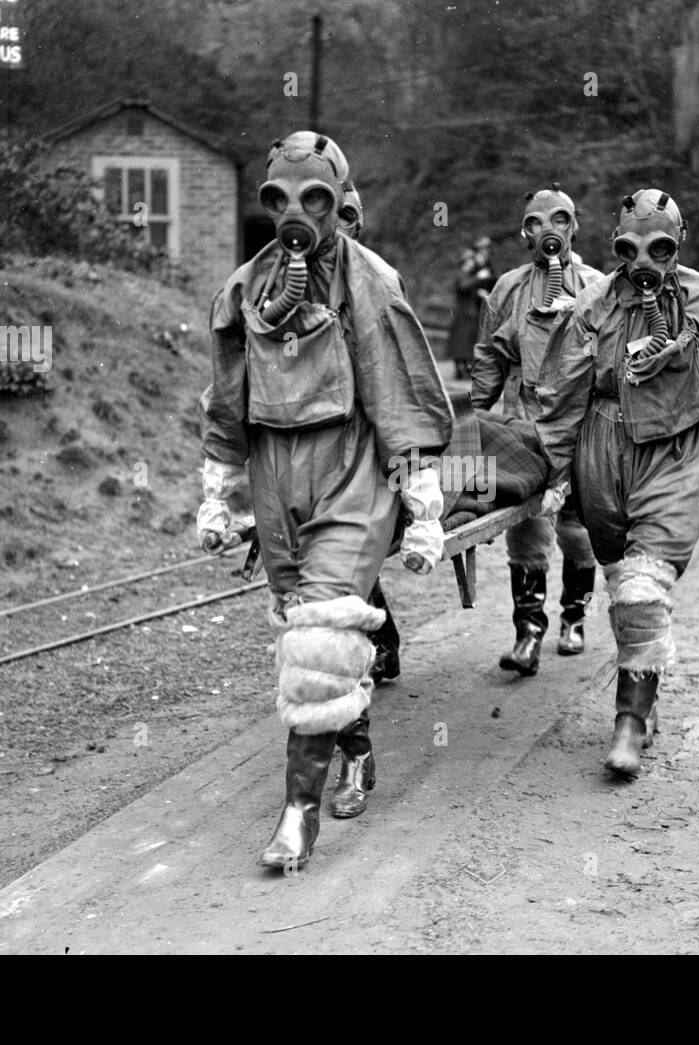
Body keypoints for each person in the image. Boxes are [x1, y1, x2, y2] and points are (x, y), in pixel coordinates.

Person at [199, 131, 453, 868]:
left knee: (318, 635)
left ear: (340, 203)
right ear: (267, 202)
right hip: (278, 472)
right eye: (281, 198)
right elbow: (225, 399)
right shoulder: (245, 291)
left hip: (352, 466)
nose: (297, 214)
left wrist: (421, 494)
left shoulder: (370, 279)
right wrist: (223, 489)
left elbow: (397, 383)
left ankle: (296, 817)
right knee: (304, 639)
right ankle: (359, 751)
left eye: (315, 199)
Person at [534, 188, 699, 778]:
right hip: (602, 451)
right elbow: (560, 394)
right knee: (618, 574)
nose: (644, 264)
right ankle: (645, 687)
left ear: (677, 245)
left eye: (659, 248)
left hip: (676, 451)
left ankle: (629, 721)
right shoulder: (593, 304)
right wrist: (554, 473)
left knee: (643, 586)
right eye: (631, 249)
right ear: (615, 249)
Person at [470, 186, 603, 675]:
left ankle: (574, 617)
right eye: (537, 222)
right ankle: (528, 634)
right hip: (525, 423)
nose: (550, 231)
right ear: (525, 232)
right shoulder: (507, 289)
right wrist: (473, 423)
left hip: (580, 427)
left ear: (575, 226)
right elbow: (489, 357)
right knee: (526, 530)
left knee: (577, 527)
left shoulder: (597, 287)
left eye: (560, 219)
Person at [336, 183, 402, 685]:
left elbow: (400, 367)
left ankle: (376, 644)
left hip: (362, 428)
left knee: (350, 541)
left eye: (345, 215)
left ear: (357, 223)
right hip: (308, 431)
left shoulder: (379, 278)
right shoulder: (272, 280)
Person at [446, 238, 495, 379]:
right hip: (466, 308)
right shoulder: (471, 263)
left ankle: (467, 368)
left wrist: (482, 289)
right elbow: (462, 284)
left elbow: (491, 280)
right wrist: (479, 280)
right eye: (484, 250)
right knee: (462, 339)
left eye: (488, 250)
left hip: (476, 307)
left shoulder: (486, 264)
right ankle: (460, 369)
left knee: (470, 339)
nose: (487, 253)